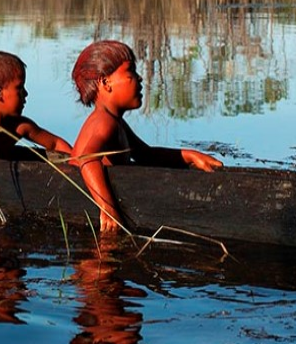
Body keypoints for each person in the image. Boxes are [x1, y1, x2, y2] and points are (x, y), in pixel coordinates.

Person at [71, 40, 223, 232]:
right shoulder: (104, 122)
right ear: (105, 82)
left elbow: (145, 154)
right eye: (131, 72)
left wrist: (189, 156)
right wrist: (108, 208)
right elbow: (87, 159)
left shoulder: (115, 122)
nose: (140, 78)